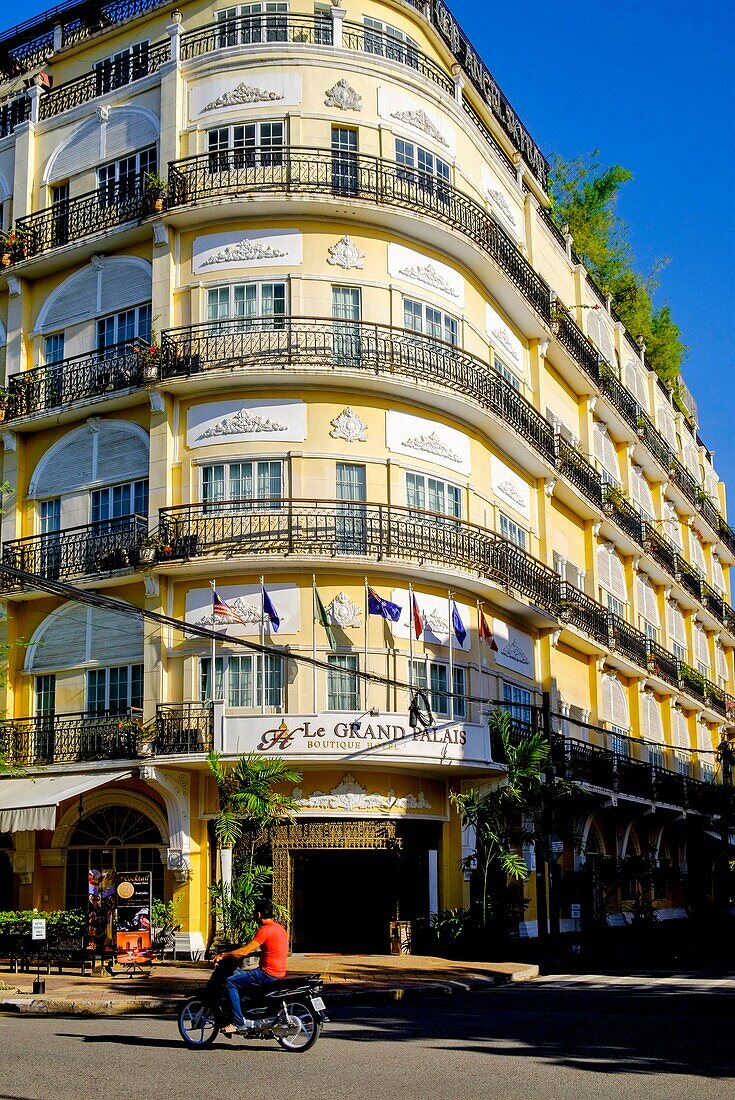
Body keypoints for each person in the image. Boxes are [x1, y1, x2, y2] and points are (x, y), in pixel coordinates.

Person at [213, 901, 288, 1035]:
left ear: (259, 914)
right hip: (279, 972)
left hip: (267, 973)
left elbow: (243, 952)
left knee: (231, 982)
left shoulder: (265, 930)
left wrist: (223, 956)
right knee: (241, 975)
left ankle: (238, 1023)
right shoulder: (280, 929)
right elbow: (271, 949)